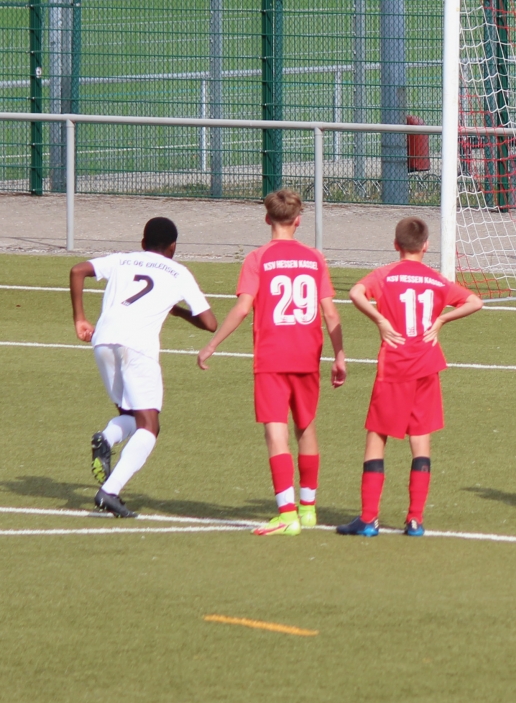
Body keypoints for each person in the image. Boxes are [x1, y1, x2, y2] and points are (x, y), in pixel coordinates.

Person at [196, 189, 347, 537]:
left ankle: (287, 515)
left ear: (267, 219)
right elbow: (330, 312)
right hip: (307, 354)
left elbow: (242, 308)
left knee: (275, 430)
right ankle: (308, 509)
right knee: (306, 426)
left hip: (272, 356)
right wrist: (339, 355)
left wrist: (212, 344)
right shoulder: (314, 258)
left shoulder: (257, 259)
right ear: (298, 221)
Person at [338, 218, 482, 537]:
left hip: (394, 367)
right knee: (421, 440)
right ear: (426, 246)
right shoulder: (436, 279)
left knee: (377, 438)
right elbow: (475, 302)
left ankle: (369, 518)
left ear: (396, 244)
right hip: (427, 366)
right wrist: (442, 320)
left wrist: (379, 319)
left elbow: (355, 292)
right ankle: (415, 519)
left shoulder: (385, 275)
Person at [73, 217, 217, 518]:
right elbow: (210, 323)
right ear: (173, 246)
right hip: (138, 347)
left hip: (103, 341)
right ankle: (109, 492)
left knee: (130, 414)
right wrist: (177, 312)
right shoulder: (178, 272)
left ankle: (107, 439)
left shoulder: (122, 260)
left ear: (142, 242)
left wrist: (80, 319)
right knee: (150, 426)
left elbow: (78, 270)